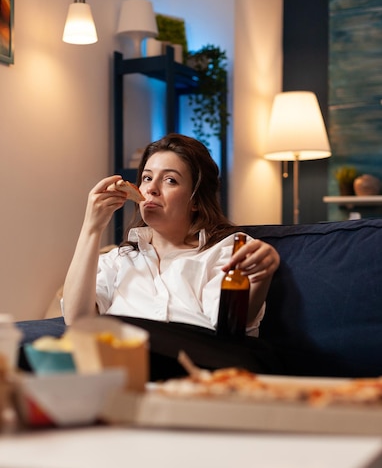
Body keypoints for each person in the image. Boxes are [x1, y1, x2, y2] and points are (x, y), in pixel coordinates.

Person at [62, 133, 280, 379]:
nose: (152, 189)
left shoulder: (225, 251)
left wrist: (261, 277)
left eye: (170, 180)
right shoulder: (119, 259)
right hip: (121, 373)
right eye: (146, 178)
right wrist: (92, 228)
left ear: (195, 199)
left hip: (195, 369)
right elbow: (76, 319)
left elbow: (229, 327)